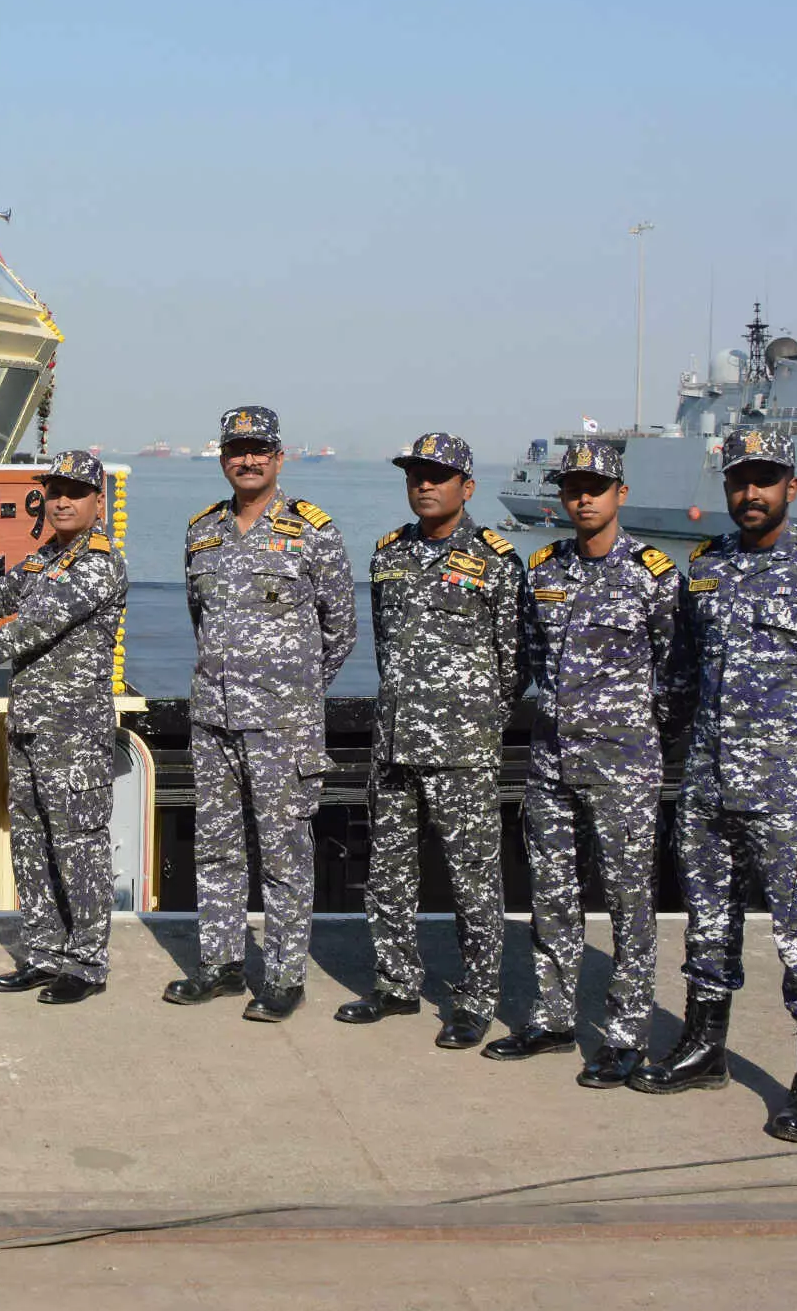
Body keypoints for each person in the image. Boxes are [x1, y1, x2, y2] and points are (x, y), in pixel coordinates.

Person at [632, 429, 797, 1142]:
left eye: (765, 480)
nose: (751, 494)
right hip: (711, 782)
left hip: (791, 790)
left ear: (791, 488)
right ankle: (705, 1047)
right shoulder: (706, 569)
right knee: (708, 924)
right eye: (741, 481)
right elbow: (683, 670)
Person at [490, 440, 680, 1085]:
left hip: (623, 762)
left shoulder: (654, 574)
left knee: (629, 901)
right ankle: (552, 1017)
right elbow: (530, 658)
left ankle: (627, 1034)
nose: (582, 498)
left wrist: (634, 732)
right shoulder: (542, 568)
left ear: (619, 495)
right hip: (551, 760)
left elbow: (673, 670)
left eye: (595, 487)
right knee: (552, 894)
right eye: (572, 487)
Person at [0, 449, 129, 1004]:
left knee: (78, 845)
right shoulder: (45, 558)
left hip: (73, 733)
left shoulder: (99, 563)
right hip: (31, 724)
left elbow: (29, 628)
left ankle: (85, 962)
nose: (61, 500)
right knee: (32, 843)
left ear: (97, 501)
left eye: (74, 491)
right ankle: (42, 953)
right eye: (54, 490)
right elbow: (0, 597)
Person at [166, 407, 356, 1021]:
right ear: (223, 458)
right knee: (216, 847)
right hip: (213, 719)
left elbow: (342, 629)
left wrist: (294, 692)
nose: (247, 460)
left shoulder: (312, 531)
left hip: (283, 724)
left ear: (279, 457)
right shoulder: (202, 532)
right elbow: (203, 622)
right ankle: (220, 966)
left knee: (284, 852)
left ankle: (282, 977)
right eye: (235, 450)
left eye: (258, 450)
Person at [340, 431, 522, 1048]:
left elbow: (512, 663)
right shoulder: (387, 553)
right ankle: (395, 984)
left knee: (473, 879)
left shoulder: (497, 560)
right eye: (416, 474)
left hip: (461, 749)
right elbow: (387, 645)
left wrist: (472, 724)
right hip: (394, 743)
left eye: (438, 476)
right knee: (389, 870)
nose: (424, 484)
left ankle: (475, 1000)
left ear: (466, 487)